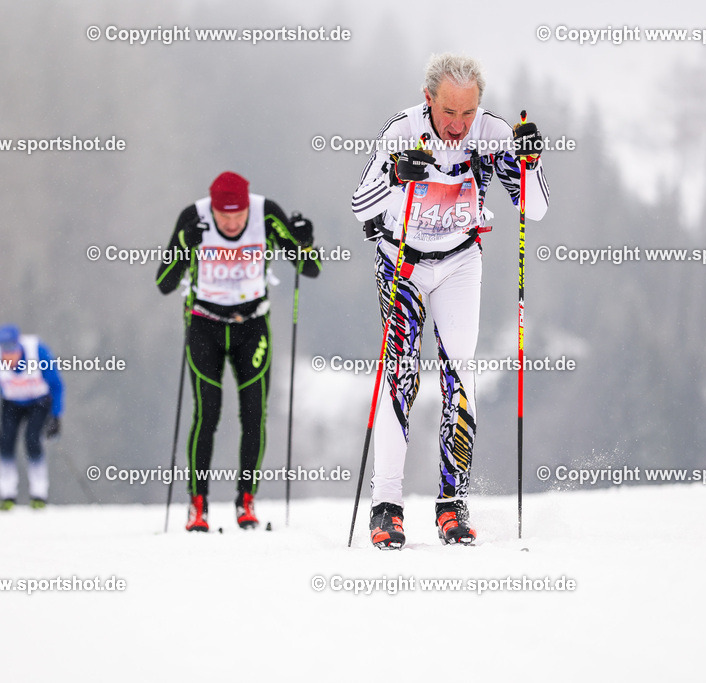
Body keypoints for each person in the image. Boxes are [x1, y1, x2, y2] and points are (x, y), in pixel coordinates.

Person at [351, 53, 550, 549]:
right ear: (428, 100)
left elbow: (535, 208)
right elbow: (360, 205)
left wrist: (531, 161)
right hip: (402, 262)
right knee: (401, 375)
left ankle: (451, 504)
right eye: (448, 113)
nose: (458, 126)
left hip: (460, 262)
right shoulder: (402, 131)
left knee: (460, 374)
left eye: (468, 112)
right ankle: (387, 506)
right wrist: (397, 175)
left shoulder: (493, 134)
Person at [156, 171, 321, 532]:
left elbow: (310, 270)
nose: (232, 224)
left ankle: (246, 501)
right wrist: (186, 243)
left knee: (253, 415)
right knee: (207, 414)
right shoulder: (193, 217)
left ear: (248, 208)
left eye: (238, 216)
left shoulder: (266, 214)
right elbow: (164, 283)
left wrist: (305, 241)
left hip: (252, 325)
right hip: (204, 324)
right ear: (212, 210)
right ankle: (197, 505)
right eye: (224, 217)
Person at [0, 324, 64, 509]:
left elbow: (56, 385)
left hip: (39, 402)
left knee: (32, 439)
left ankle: (39, 494)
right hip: (11, 403)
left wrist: (56, 417)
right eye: (5, 353)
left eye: (12, 351)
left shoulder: (37, 351)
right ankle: (7, 495)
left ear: (19, 346)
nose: (9, 358)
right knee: (6, 442)